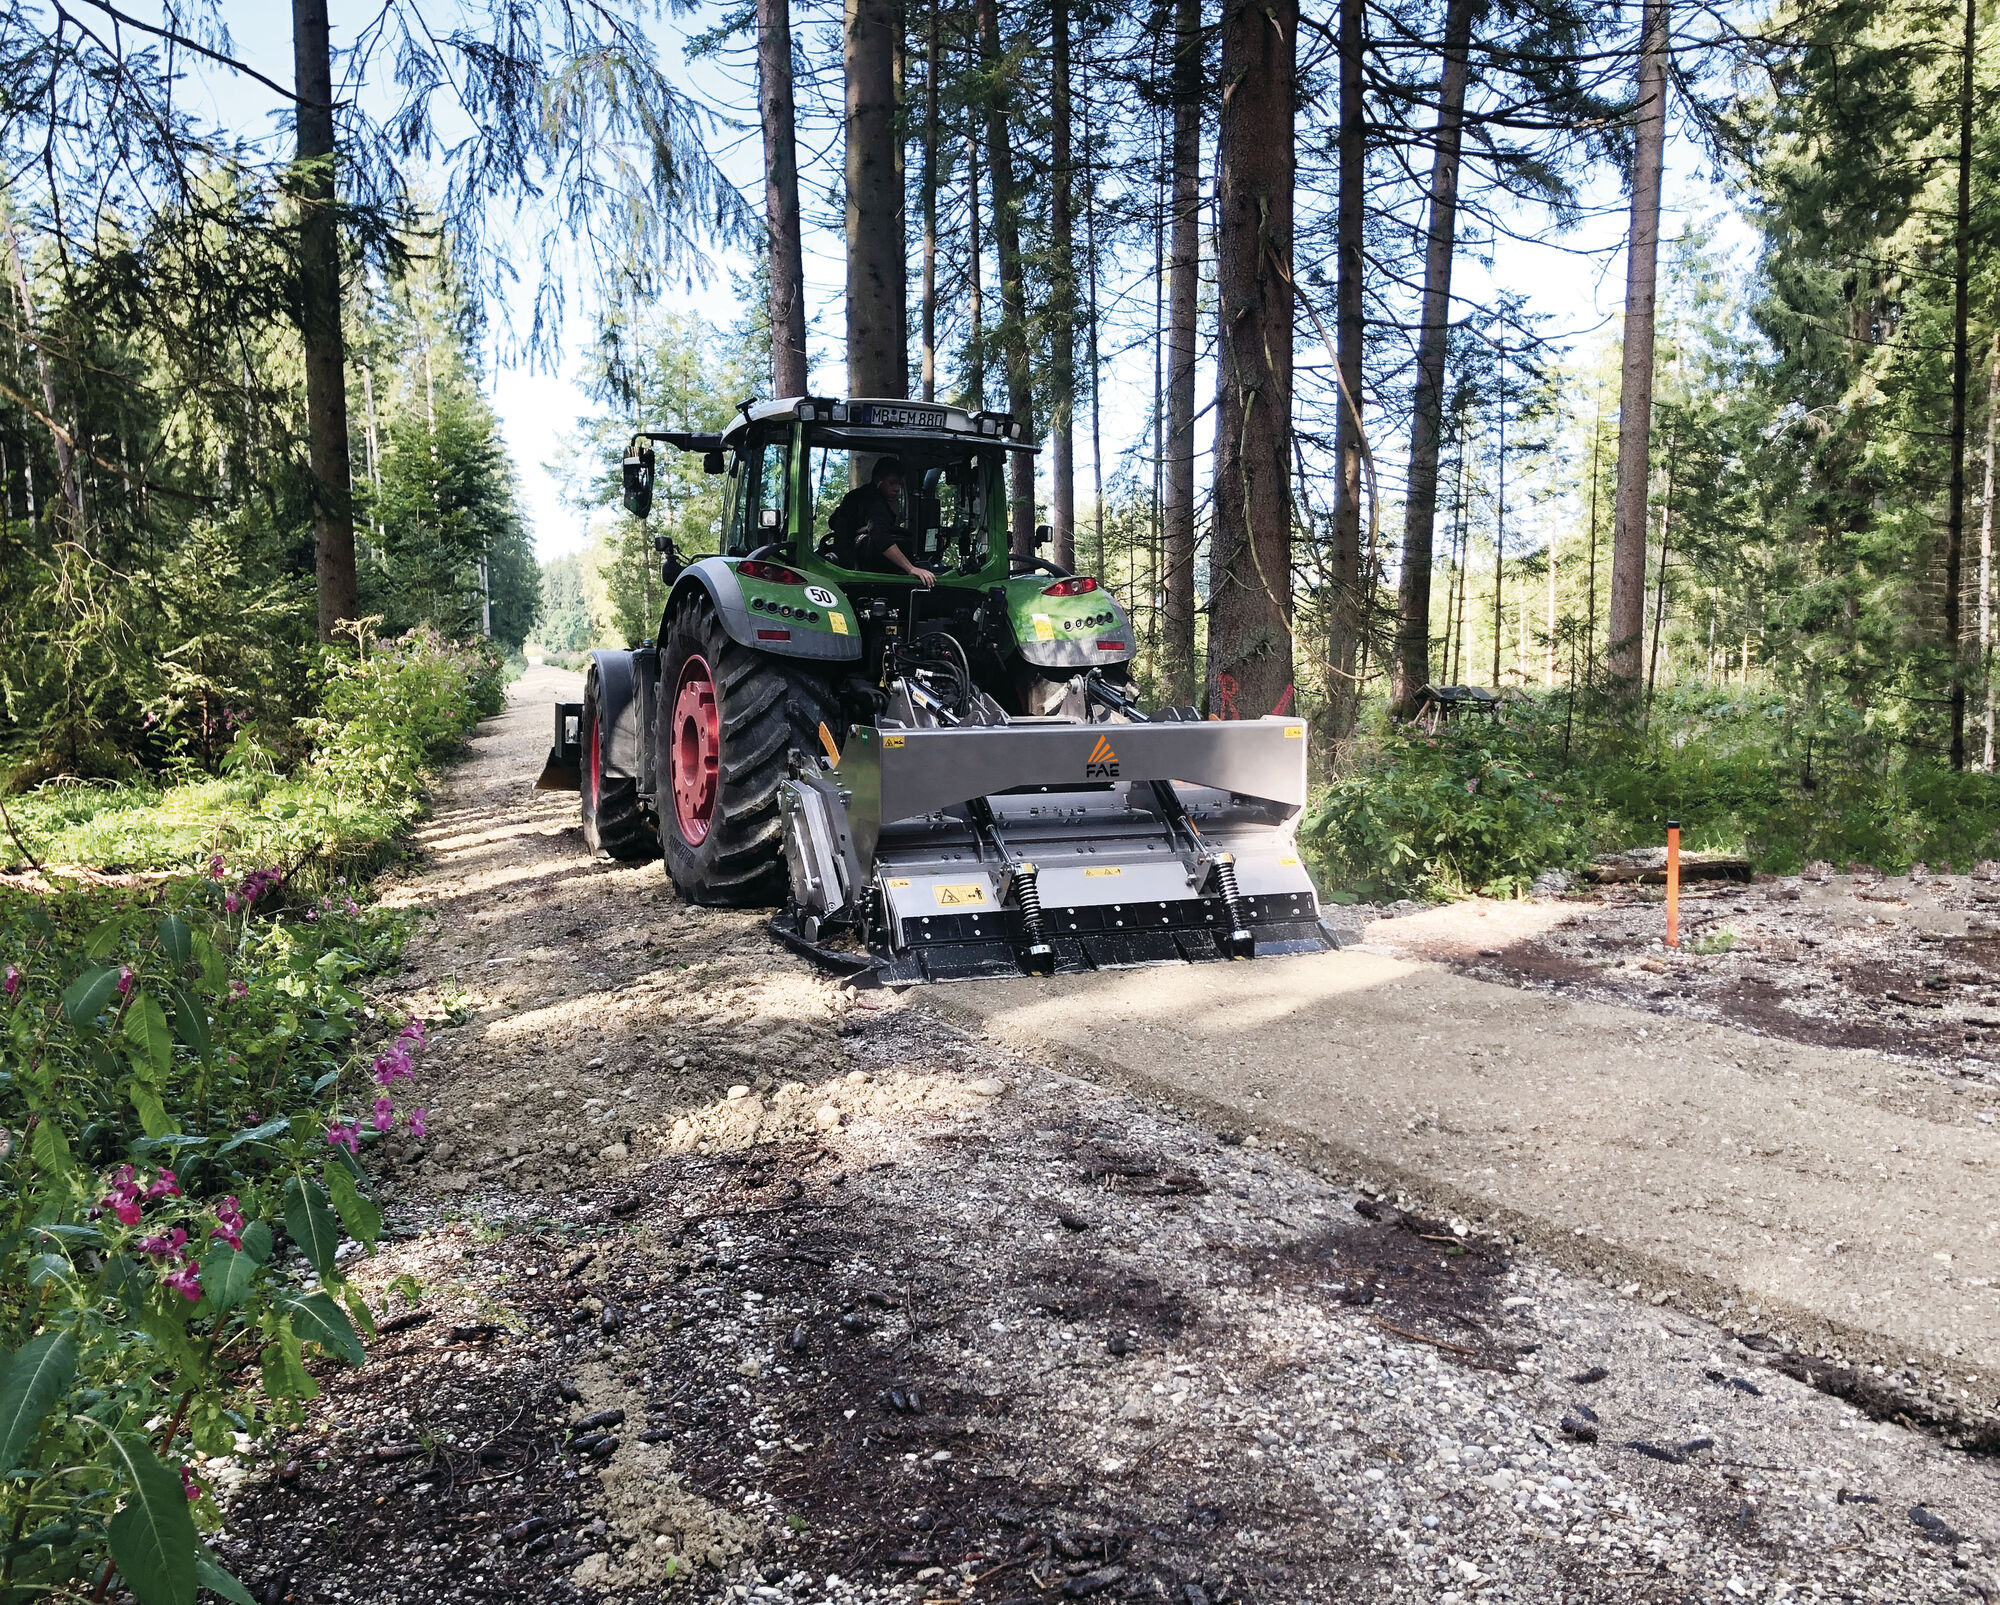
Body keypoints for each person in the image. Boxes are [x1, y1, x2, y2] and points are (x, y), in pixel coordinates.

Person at [832, 458, 935, 587]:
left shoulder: (854, 496)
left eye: (900, 484)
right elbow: (879, 534)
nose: (897, 489)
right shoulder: (875, 503)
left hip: (841, 569)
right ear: (878, 481)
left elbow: (832, 522)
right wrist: (911, 568)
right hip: (862, 575)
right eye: (892, 483)